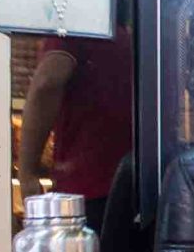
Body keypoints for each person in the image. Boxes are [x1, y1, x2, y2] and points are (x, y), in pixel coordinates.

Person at [18, 25, 135, 227]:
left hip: (85, 192)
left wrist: (27, 173)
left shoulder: (73, 28)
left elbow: (47, 82)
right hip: (132, 191)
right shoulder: (131, 36)